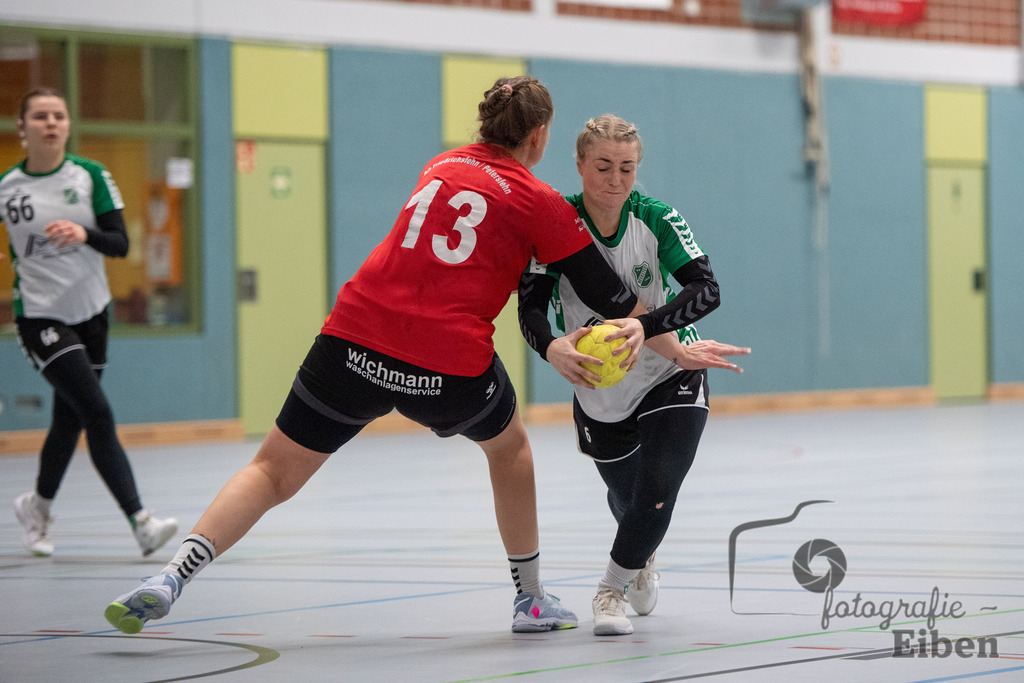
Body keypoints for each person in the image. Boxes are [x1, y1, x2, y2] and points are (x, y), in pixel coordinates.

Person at [103, 76, 661, 636]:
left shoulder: (440, 166)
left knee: (271, 470)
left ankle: (173, 575)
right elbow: (613, 296)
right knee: (510, 449)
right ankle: (532, 599)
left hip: (353, 339)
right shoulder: (539, 201)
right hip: (445, 362)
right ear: (539, 137)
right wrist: (675, 342)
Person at [518, 113, 748, 635]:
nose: (615, 180)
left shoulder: (655, 218)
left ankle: (609, 592)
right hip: (599, 387)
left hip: (671, 368)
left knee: (659, 488)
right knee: (628, 502)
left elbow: (706, 290)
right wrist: (551, 346)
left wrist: (646, 327)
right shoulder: (558, 224)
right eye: (602, 167)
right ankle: (638, 556)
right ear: (579, 165)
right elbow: (529, 309)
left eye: (626, 168)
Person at [1, 88, 178, 558]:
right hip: (39, 315)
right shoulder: (8, 187)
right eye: (40, 116)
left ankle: (35, 507)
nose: (51, 123)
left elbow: (119, 244)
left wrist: (83, 233)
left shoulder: (90, 176)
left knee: (70, 420)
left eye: (59, 115)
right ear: (23, 127)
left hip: (93, 314)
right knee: (97, 411)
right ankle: (141, 521)